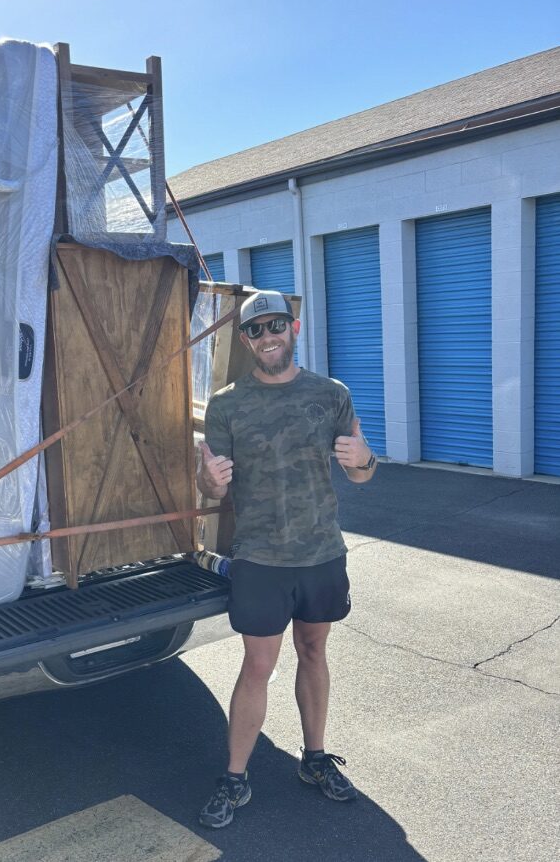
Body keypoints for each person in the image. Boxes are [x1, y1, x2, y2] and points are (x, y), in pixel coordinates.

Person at [196, 289, 377, 828]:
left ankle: (315, 760)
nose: (267, 336)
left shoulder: (330, 394)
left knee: (314, 651)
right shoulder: (227, 404)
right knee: (257, 665)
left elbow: (362, 471)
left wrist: (364, 459)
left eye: (276, 325)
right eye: (256, 330)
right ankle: (235, 778)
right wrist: (207, 479)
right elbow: (211, 489)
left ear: (293, 328)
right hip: (260, 557)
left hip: (321, 552)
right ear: (246, 340)